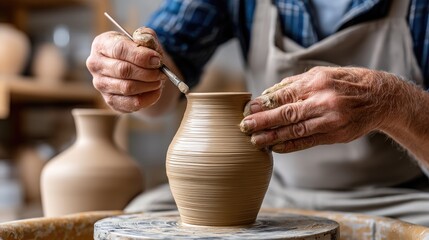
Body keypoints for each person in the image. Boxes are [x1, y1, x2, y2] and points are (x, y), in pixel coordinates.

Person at [86, 0, 429, 226]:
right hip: (269, 192)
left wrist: (393, 102)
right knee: (135, 220)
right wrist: (133, 72)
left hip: (400, 198)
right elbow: (161, 80)